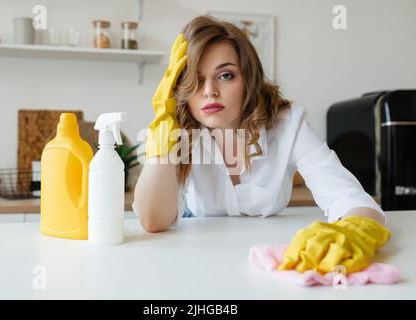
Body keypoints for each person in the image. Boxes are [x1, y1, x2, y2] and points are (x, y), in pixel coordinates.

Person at [133, 15, 391, 274]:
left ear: (248, 78)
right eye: (195, 79)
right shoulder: (179, 132)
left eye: (225, 75)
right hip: (200, 261)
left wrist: (352, 234)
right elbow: (153, 220)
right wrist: (163, 123)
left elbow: (348, 198)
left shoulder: (287, 122)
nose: (209, 90)